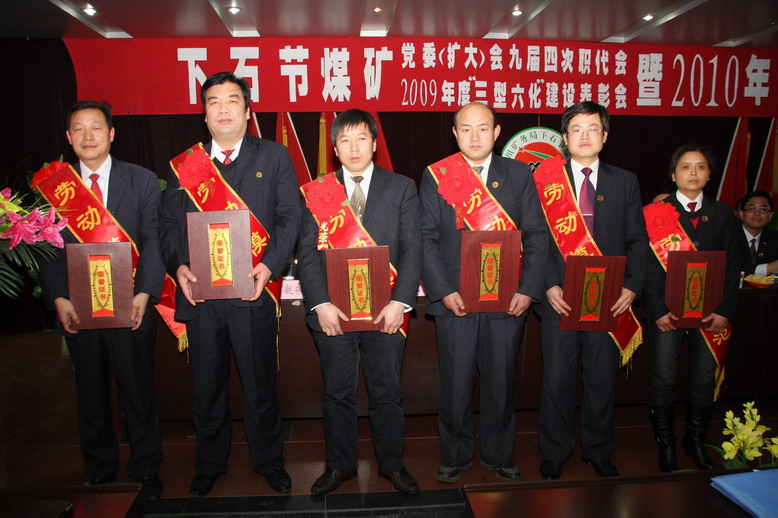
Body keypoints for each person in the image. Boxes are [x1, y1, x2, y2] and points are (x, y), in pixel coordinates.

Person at [159, 72, 300, 496]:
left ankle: (269, 461)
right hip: (201, 295)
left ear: (247, 110)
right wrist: (179, 266)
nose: (223, 109)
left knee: (260, 386)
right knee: (207, 387)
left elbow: (290, 218)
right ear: (204, 115)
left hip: (253, 294)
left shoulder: (274, 156)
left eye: (232, 100)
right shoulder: (187, 164)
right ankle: (209, 464)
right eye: (214, 102)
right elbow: (168, 226)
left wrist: (269, 266)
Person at [37, 101, 164, 501]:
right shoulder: (54, 187)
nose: (88, 136)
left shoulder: (142, 180)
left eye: (96, 127)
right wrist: (58, 297)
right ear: (68, 137)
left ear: (111, 133)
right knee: (89, 391)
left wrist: (145, 292)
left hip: (131, 306)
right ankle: (99, 467)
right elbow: (45, 249)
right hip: (78, 307)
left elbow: (153, 240)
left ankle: (146, 467)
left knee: (138, 390)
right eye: (79, 129)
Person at [420, 102, 548, 483]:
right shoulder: (436, 174)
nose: (474, 136)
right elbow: (425, 237)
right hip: (455, 300)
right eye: (466, 129)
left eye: (482, 128)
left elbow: (536, 234)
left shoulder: (518, 174)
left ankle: (498, 454)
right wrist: (442, 290)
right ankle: (455, 454)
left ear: (497, 132)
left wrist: (528, 289)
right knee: (455, 384)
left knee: (500, 383)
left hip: (507, 300)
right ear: (454, 133)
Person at [297, 109, 422, 495]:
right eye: (345, 140)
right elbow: (308, 254)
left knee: (387, 392)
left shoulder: (401, 187)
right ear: (334, 148)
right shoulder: (318, 191)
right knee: (338, 392)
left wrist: (400, 302)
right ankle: (339, 466)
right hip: (334, 312)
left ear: (374, 143)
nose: (354, 147)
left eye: (361, 138)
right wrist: (320, 304)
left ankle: (392, 465)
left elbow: (413, 249)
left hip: (386, 311)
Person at [535, 101, 648, 480]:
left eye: (592, 129)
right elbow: (536, 240)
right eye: (577, 129)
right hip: (559, 299)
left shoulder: (625, 181)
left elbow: (637, 239)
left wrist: (631, 286)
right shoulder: (545, 182)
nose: (585, 136)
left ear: (605, 135)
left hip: (608, 299)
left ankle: (598, 450)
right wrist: (547, 284)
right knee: (557, 380)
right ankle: (555, 451)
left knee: (601, 379)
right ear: (565, 138)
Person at [643, 144, 740, 472]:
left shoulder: (723, 213)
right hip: (667, 312)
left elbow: (734, 265)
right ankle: (666, 443)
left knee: (703, 378)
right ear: (673, 175)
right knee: (664, 376)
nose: (693, 173)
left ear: (709, 175)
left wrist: (725, 309)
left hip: (711, 312)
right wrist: (657, 309)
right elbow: (648, 267)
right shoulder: (655, 213)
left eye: (700, 167)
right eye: (685, 167)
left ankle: (695, 441)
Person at [736, 191, 778, 275]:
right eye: (752, 209)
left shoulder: (775, 238)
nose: (757, 213)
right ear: (741, 214)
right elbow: (725, 268)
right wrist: (767, 268)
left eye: (763, 210)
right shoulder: (727, 236)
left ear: (770, 216)